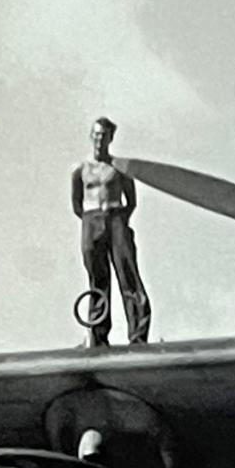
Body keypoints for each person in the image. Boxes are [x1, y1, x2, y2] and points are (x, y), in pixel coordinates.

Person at [71, 117, 151, 347]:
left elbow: (131, 201)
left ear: (110, 138)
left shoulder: (119, 169)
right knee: (97, 279)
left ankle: (138, 335)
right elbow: (76, 203)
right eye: (95, 135)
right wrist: (91, 220)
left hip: (116, 219)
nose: (99, 140)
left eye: (103, 136)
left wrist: (118, 220)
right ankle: (98, 337)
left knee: (128, 276)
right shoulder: (80, 170)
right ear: (90, 136)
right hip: (91, 220)